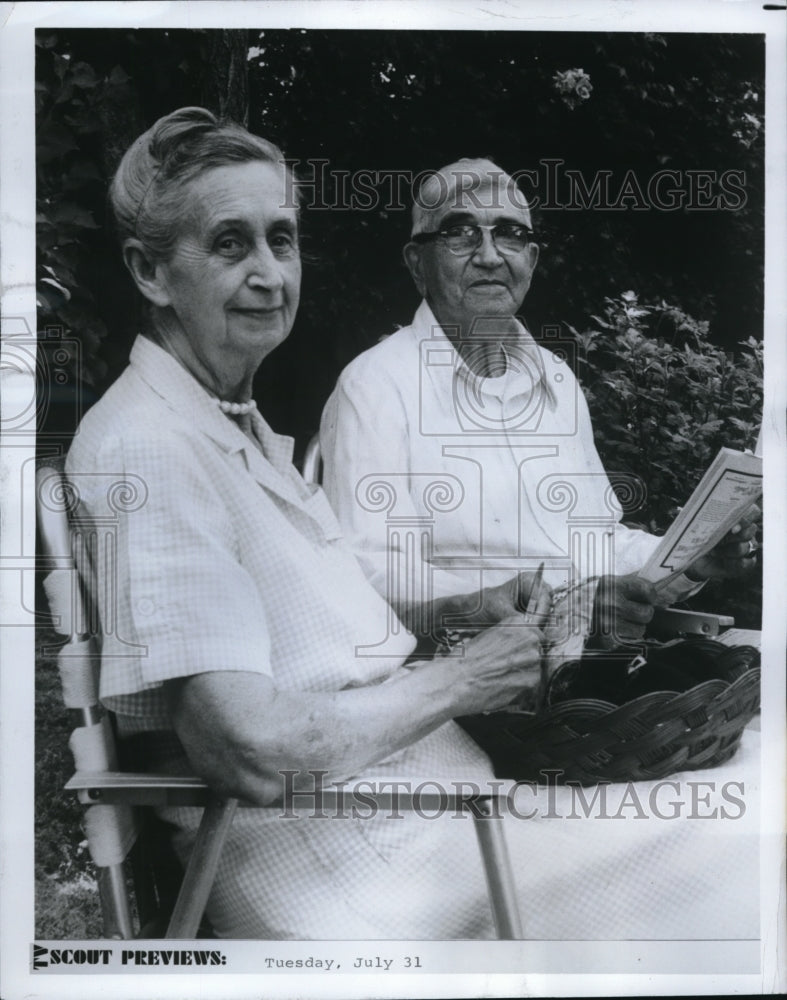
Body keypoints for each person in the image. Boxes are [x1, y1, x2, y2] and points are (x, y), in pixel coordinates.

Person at [65, 110, 550, 939]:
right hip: (355, 872)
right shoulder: (149, 447)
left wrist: (465, 609)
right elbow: (246, 747)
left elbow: (320, 639)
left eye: (281, 240)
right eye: (230, 244)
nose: (268, 273)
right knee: (742, 836)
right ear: (150, 271)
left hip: (424, 825)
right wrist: (465, 680)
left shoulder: (227, 425)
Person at [320, 158, 759, 650]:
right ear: (417, 263)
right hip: (467, 671)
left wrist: (691, 558)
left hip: (588, 663)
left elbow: (600, 542)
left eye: (509, 234)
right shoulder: (374, 386)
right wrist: (557, 608)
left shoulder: (557, 380)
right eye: (460, 233)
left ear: (530, 259)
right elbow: (368, 573)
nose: (489, 256)